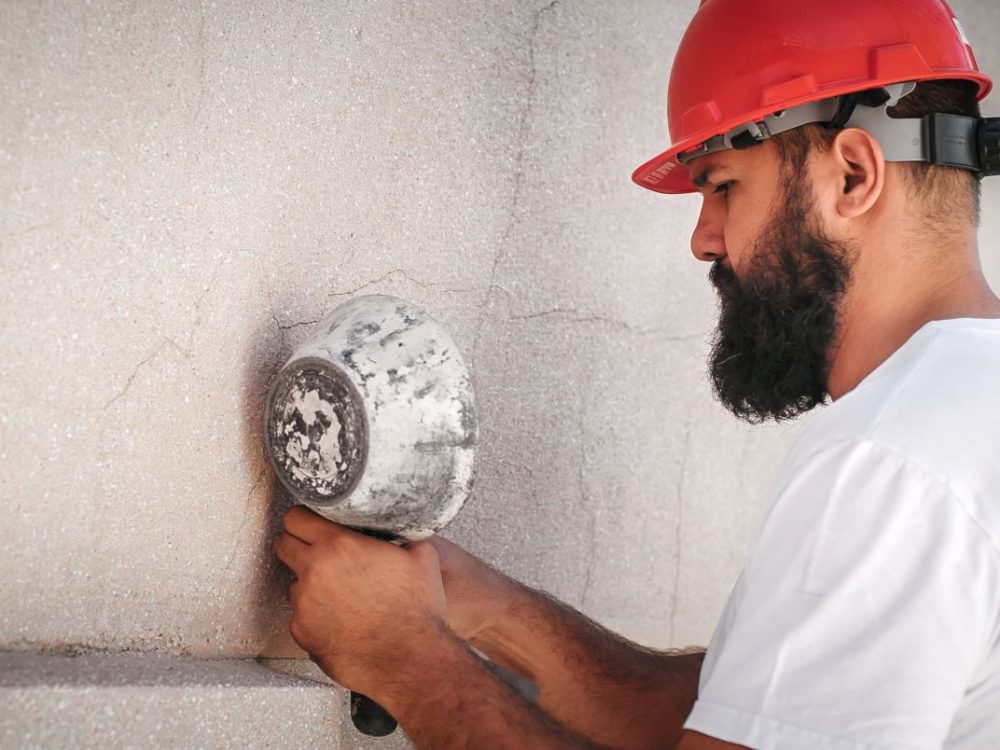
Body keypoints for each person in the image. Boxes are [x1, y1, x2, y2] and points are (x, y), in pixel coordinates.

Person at [273, 1, 1000, 747]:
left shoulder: (891, 461)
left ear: (853, 174)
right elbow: (740, 712)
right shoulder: (964, 416)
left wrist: (403, 657)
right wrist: (484, 608)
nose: (703, 239)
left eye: (723, 186)